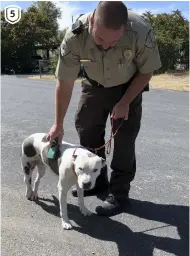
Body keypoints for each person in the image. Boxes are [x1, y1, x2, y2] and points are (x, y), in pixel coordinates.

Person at [46, 1, 162, 216]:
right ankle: (97, 182)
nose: (106, 46)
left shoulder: (141, 30)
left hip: (129, 86)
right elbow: (65, 81)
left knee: (124, 141)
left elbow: (146, 71)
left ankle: (119, 195)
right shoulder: (74, 36)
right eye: (99, 39)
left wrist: (125, 102)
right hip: (95, 85)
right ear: (91, 22)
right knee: (86, 128)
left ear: (125, 27)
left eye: (114, 41)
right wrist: (58, 124)